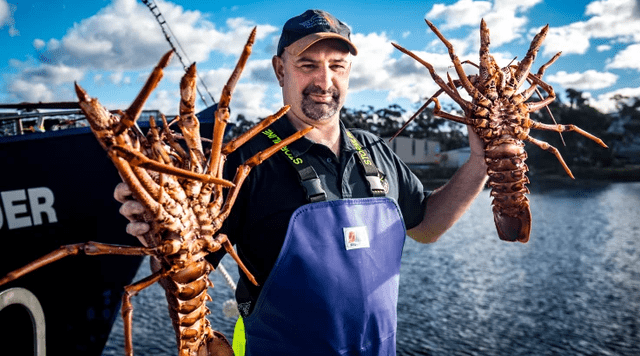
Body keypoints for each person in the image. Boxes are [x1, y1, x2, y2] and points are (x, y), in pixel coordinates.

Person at [117, 9, 488, 356]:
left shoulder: (375, 149)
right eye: (307, 65)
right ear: (280, 70)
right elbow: (181, 274)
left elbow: (426, 227)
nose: (324, 81)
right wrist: (156, 230)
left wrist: (480, 159)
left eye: (336, 66)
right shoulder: (240, 161)